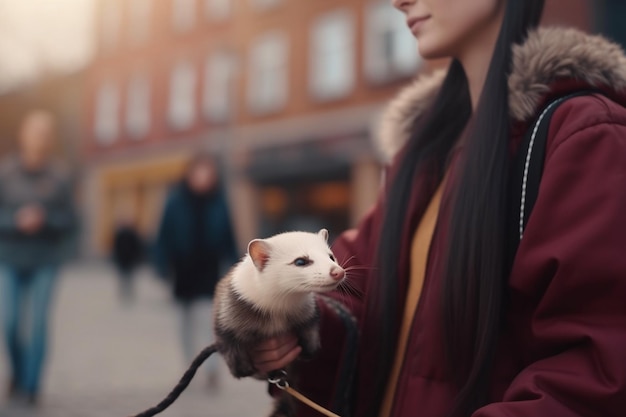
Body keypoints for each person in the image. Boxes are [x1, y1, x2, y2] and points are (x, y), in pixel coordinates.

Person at [248, 1, 626, 416]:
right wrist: (293, 322)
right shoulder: (423, 153)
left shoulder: (584, 136)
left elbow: (594, 374)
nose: (398, 1)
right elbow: (357, 291)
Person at [0, 110, 77, 405]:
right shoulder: (6, 173)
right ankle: (17, 374)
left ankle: (32, 386)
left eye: (45, 133)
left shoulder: (59, 176)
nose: (39, 138)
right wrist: (14, 220)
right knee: (9, 323)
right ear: (23, 134)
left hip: (45, 260)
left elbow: (71, 220)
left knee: (38, 324)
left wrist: (44, 219)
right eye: (34, 131)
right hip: (9, 257)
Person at [154, 153, 239, 389]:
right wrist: (160, 264)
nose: (203, 178)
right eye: (199, 172)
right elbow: (163, 234)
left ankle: (211, 368)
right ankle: (188, 367)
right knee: (183, 323)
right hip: (182, 270)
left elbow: (229, 236)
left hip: (208, 271)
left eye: (208, 173)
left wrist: (236, 266)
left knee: (207, 321)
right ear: (190, 174)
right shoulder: (175, 201)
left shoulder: (219, 201)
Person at [111, 218, 144, 305]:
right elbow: (116, 248)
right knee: (125, 278)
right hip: (124, 260)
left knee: (128, 278)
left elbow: (136, 248)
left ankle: (128, 294)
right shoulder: (120, 235)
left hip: (128, 260)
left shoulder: (131, 235)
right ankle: (124, 294)